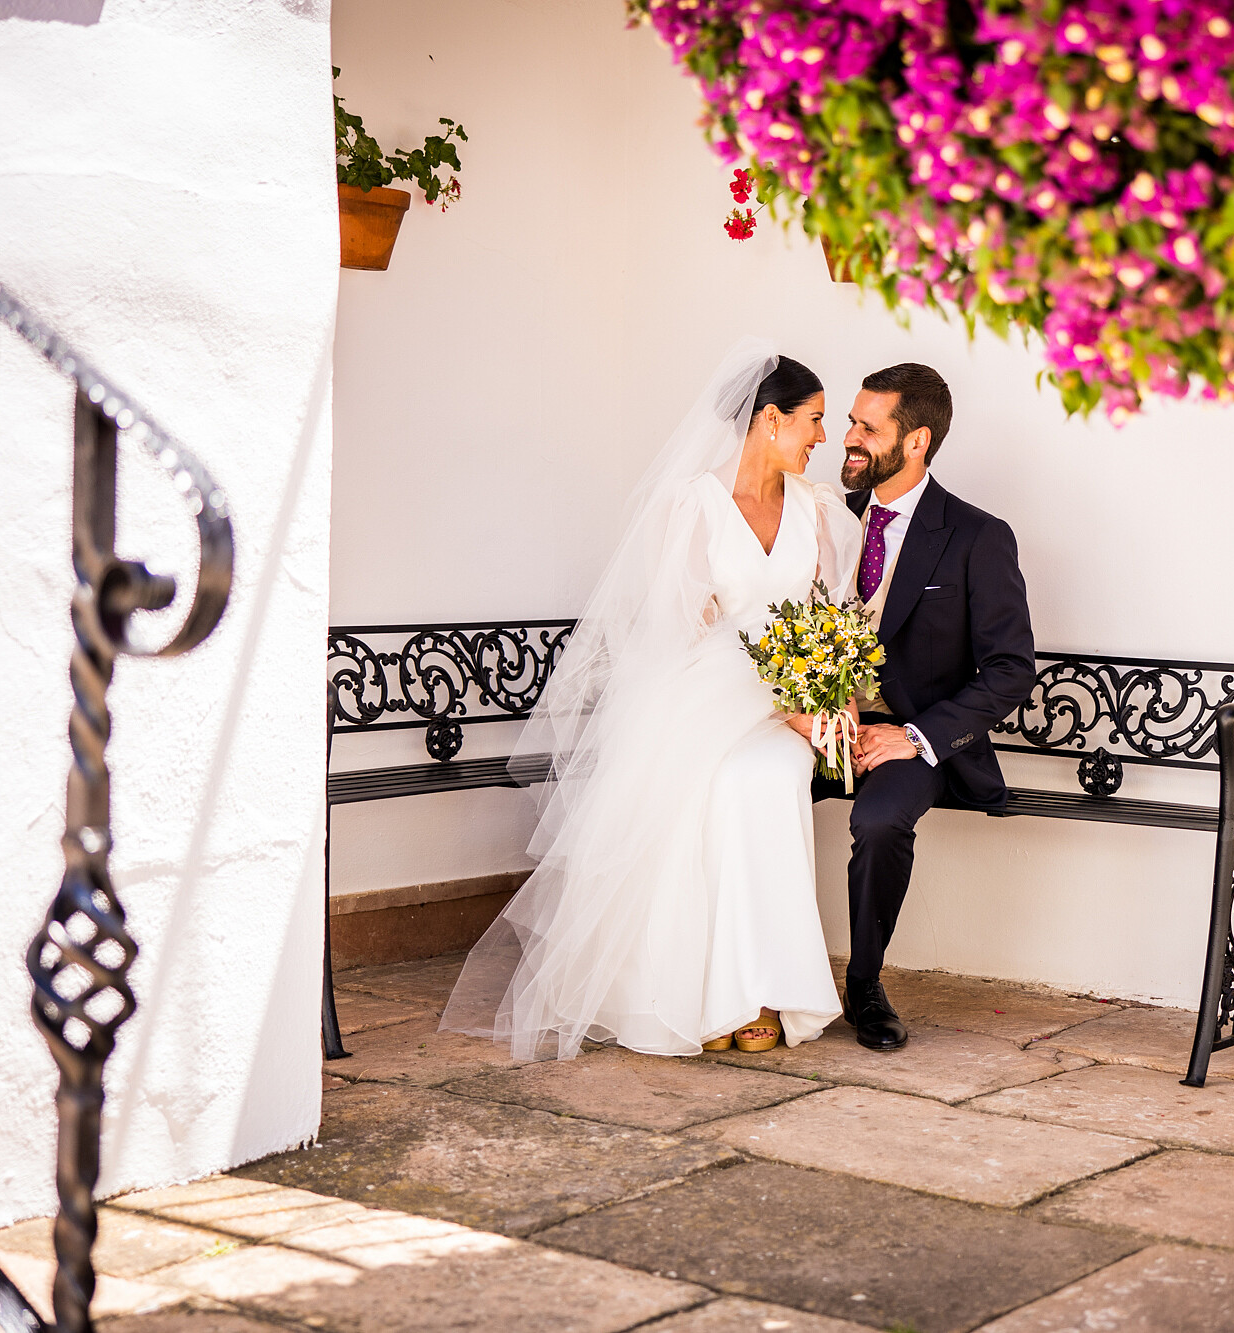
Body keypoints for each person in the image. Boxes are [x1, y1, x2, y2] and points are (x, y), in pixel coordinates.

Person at [442, 342, 861, 1058]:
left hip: (787, 708)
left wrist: (829, 699)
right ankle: (702, 997)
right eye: (814, 419)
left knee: (758, 779)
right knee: (708, 784)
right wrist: (785, 701)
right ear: (769, 419)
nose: (823, 438)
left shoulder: (819, 511)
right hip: (712, 691)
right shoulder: (691, 505)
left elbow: (830, 621)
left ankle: (764, 990)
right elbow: (689, 632)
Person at [816, 363, 1038, 1051]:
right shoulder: (826, 519)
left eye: (865, 427)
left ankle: (865, 984)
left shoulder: (976, 535)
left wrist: (913, 737)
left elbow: (1010, 669)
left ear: (916, 440)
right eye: (850, 421)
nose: (848, 438)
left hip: (911, 738)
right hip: (820, 727)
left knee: (880, 820)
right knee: (738, 783)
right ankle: (742, 977)